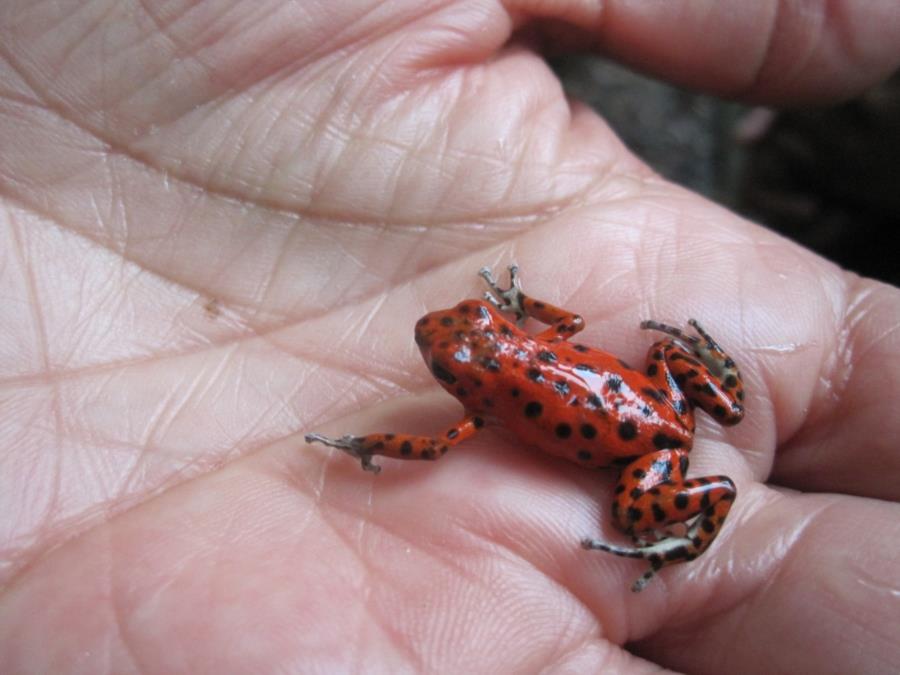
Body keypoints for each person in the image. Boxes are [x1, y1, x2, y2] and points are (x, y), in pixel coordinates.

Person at [1, 1, 898, 672]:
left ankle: (679, 529)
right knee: (663, 376)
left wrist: (368, 442)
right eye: (462, 343)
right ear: (491, 361)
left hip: (652, 449)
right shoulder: (498, 386)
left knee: (628, 513)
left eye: (462, 347)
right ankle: (683, 449)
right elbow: (556, 339)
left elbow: (427, 442)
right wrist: (508, 323)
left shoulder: (478, 411)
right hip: (654, 404)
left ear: (483, 372)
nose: (446, 345)